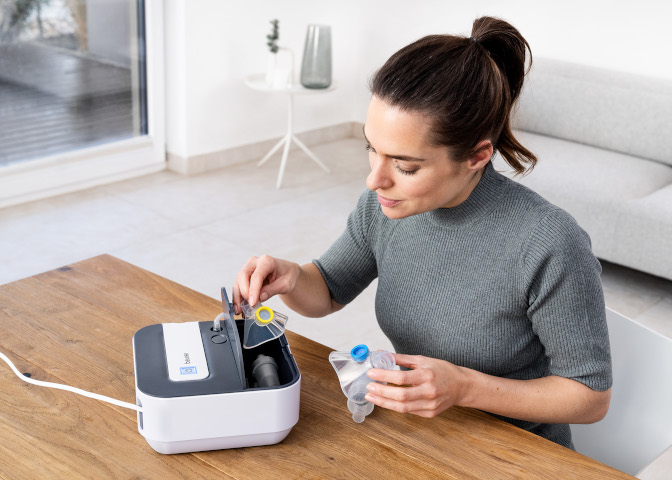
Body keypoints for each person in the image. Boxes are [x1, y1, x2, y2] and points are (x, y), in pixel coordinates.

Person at [234, 16, 612, 449]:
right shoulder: (385, 207)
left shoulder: (549, 241)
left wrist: (464, 387)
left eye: (405, 166)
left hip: (517, 453)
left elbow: (590, 398)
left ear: (477, 156)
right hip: (421, 434)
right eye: (371, 148)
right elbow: (328, 292)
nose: (374, 180)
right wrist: (293, 277)